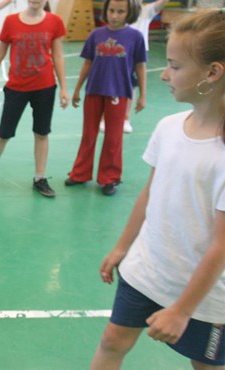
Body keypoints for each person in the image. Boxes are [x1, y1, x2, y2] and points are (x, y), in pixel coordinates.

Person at [91, 9, 225, 369]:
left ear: (212, 73)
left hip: (203, 294)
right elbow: (150, 194)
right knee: (111, 341)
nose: (165, 74)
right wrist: (123, 247)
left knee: (205, 365)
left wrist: (182, 310)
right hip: (147, 269)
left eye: (176, 67)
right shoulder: (168, 127)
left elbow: (221, 245)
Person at [0, 0, 69, 198]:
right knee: (4, 133)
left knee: (42, 133)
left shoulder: (55, 22)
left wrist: (64, 88)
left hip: (45, 87)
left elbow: (58, 56)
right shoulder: (11, 21)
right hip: (16, 88)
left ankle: (39, 178)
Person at [66, 0, 146, 196]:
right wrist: (77, 89)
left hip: (118, 93)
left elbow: (140, 67)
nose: (115, 15)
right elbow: (87, 64)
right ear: (106, 10)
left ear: (129, 13)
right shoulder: (96, 34)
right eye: (111, 10)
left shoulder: (135, 37)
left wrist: (143, 94)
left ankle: (110, 177)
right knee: (89, 134)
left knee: (113, 137)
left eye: (120, 11)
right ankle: (80, 173)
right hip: (93, 91)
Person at [101, 0, 168, 134]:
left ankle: (125, 118)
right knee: (109, 84)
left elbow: (162, 3)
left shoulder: (146, 10)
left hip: (135, 55)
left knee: (131, 86)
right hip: (117, 51)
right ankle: (104, 117)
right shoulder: (120, 10)